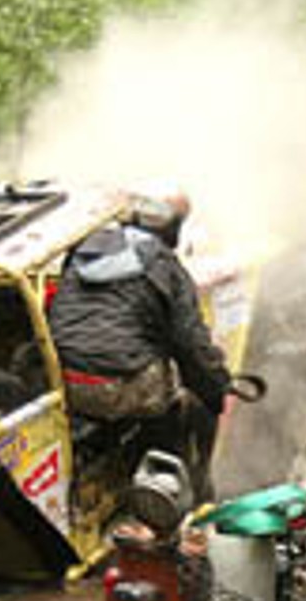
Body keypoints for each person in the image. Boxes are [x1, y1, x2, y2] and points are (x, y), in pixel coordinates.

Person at [45, 186, 232, 498]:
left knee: (133, 370)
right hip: (122, 386)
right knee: (190, 401)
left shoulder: (82, 249)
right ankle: (181, 498)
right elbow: (192, 345)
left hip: (63, 380)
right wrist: (216, 389)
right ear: (173, 230)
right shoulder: (166, 267)